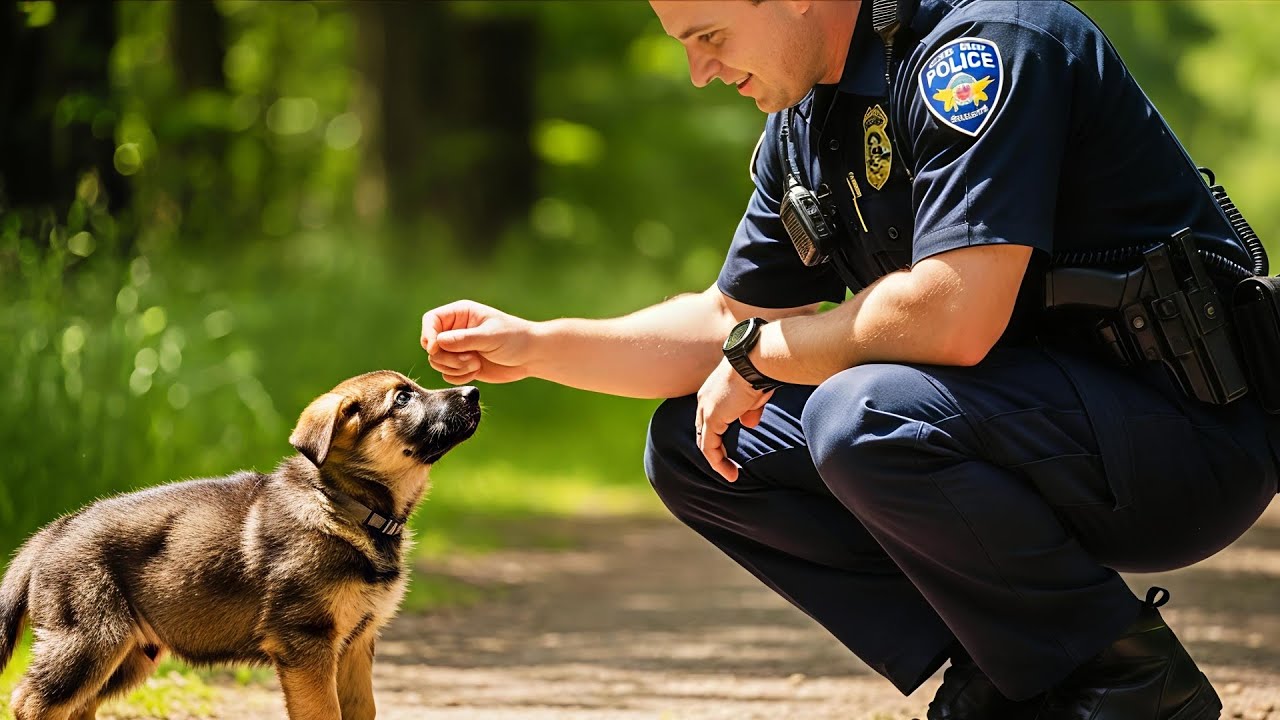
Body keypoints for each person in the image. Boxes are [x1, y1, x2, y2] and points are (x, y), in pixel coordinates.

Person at [420, 1, 1279, 718]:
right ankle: (1005, 674)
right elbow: (730, 318)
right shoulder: (805, 122)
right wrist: (536, 346)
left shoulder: (980, 53)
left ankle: (1127, 688)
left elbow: (953, 314)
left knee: (858, 413)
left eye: (708, 37)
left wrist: (762, 356)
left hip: (1183, 438)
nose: (700, 72)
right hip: (1034, 429)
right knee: (694, 444)